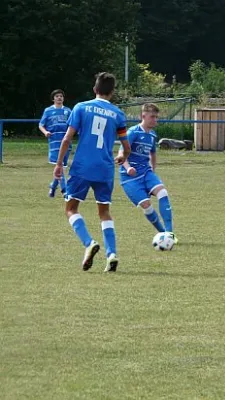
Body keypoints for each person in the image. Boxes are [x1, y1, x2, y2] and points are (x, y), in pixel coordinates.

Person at [54, 72, 131, 272]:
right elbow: (126, 146)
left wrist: (59, 164)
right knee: (104, 212)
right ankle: (112, 254)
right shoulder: (118, 114)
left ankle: (89, 243)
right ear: (112, 92)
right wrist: (122, 158)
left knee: (71, 208)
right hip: (105, 169)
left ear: (94, 89)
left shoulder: (81, 107)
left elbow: (67, 139)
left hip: (82, 167)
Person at [118, 103, 177, 242]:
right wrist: (128, 168)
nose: (155, 120)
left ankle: (169, 233)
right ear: (143, 116)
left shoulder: (152, 135)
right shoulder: (133, 132)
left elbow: (153, 153)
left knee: (162, 192)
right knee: (147, 206)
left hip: (146, 172)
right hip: (129, 177)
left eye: (156, 117)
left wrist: (152, 169)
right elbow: (121, 152)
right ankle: (162, 233)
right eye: (152, 117)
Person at [39, 89, 72, 197]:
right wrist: (45, 132)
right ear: (53, 98)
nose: (59, 98)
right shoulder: (48, 111)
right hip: (54, 142)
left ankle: (53, 187)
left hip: (66, 142)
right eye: (57, 96)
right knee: (60, 165)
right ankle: (65, 190)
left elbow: (73, 125)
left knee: (61, 166)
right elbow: (41, 125)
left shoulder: (68, 111)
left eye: (61, 96)